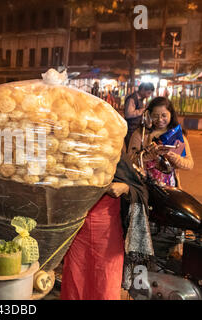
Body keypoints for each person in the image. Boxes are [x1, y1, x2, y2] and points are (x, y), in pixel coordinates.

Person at [60, 152, 153, 300]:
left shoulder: (113, 151)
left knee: (106, 287)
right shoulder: (75, 150)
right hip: (77, 233)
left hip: (108, 236)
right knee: (75, 285)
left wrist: (125, 188)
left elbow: (140, 190)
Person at [127, 96, 194, 188]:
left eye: (164, 115)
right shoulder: (140, 134)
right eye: (155, 116)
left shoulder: (176, 136)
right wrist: (149, 155)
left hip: (170, 188)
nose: (160, 120)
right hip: (144, 187)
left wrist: (171, 156)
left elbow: (189, 164)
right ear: (149, 115)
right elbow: (130, 161)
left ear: (171, 114)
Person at [124, 82, 155, 147]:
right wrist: (142, 110)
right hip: (130, 129)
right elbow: (128, 114)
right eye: (148, 93)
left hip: (136, 129)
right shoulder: (132, 98)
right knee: (130, 148)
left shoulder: (140, 99)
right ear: (142, 89)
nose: (148, 96)